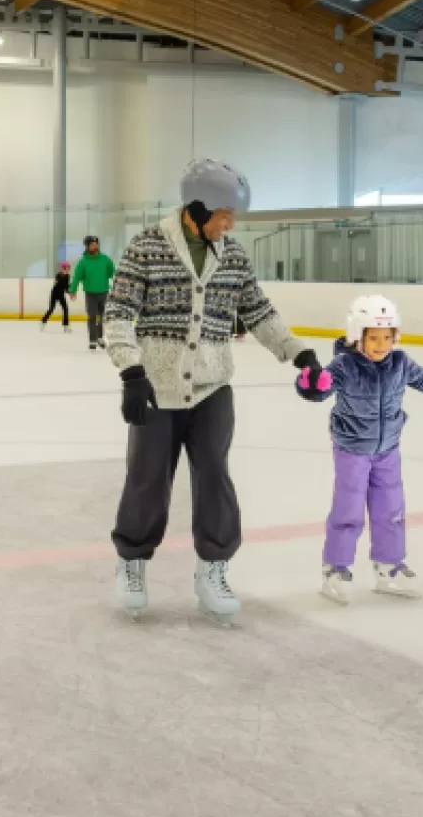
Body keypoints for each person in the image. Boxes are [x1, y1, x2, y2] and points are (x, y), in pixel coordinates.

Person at [104, 159, 324, 624]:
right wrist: (131, 372)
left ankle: (213, 570)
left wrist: (298, 352)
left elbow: (259, 312)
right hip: (158, 389)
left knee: (214, 478)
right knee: (146, 478)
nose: (230, 223)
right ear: (196, 207)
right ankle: (133, 564)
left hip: (212, 387)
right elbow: (119, 313)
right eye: (224, 213)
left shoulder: (234, 255)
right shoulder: (146, 246)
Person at [297, 295, 423, 604]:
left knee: (391, 510)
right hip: (352, 450)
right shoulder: (345, 365)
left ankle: (389, 567)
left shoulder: (400, 362)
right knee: (349, 511)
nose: (381, 344)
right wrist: (310, 384)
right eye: (374, 338)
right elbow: (320, 390)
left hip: (388, 450)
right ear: (358, 335)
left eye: (387, 337)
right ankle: (335, 569)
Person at [70, 235, 115, 352]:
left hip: (104, 292)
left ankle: (100, 337)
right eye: (92, 244)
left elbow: (112, 272)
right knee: (92, 317)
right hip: (90, 294)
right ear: (87, 246)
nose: (95, 245)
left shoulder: (105, 259)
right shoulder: (83, 262)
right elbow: (76, 277)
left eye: (96, 243)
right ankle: (92, 340)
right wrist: (73, 290)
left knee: (102, 317)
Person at [40, 261, 73, 332]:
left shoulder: (68, 276)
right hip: (54, 294)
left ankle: (66, 325)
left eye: (69, 268)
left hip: (61, 294)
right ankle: (43, 321)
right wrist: (69, 291)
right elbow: (63, 285)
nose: (68, 269)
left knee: (65, 308)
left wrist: (70, 292)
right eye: (67, 267)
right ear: (63, 268)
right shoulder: (58, 275)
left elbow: (67, 287)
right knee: (51, 309)